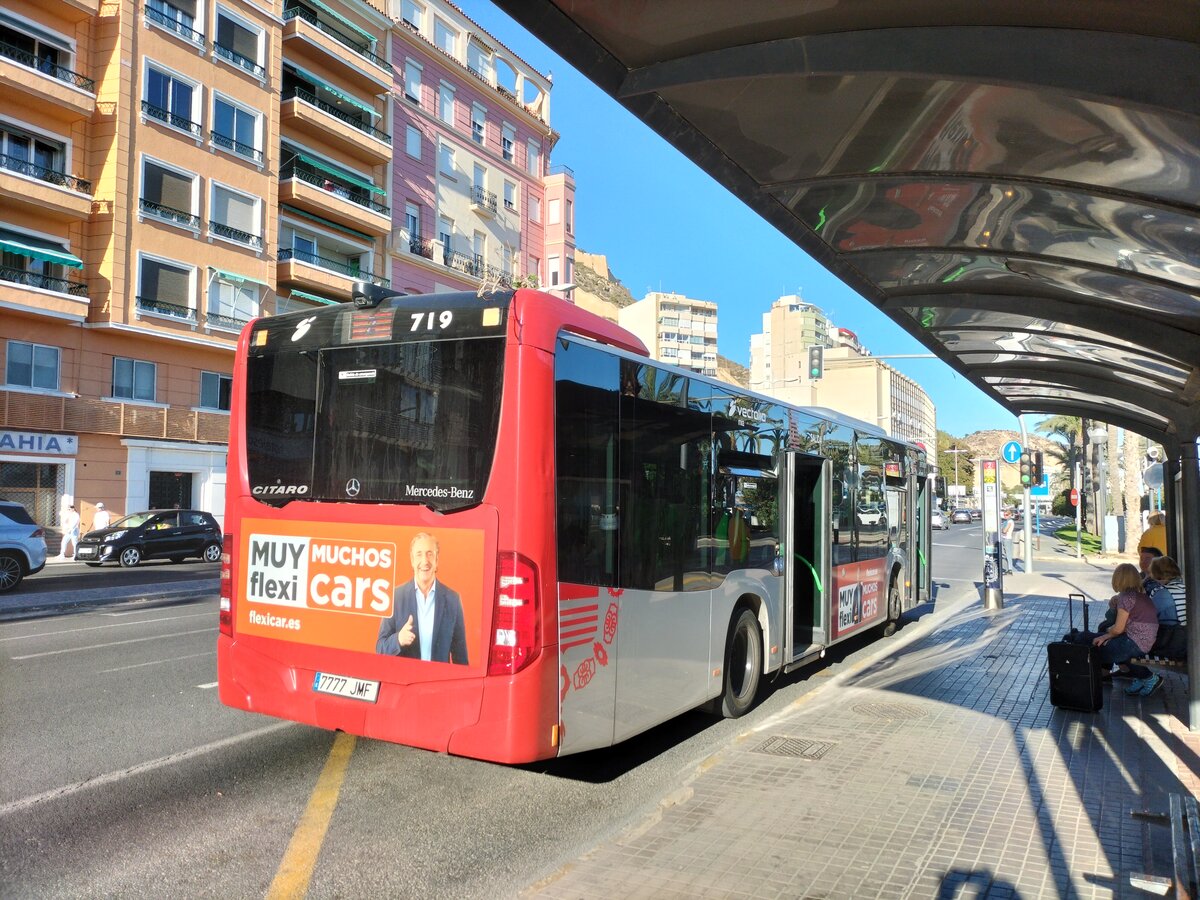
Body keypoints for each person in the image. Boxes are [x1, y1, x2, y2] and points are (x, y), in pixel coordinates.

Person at [376, 532, 468, 665]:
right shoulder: (396, 597)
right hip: (405, 681)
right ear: (412, 561)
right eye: (419, 554)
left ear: (436, 561)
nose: (425, 561)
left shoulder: (453, 600)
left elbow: (461, 659)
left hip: (438, 683)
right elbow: (380, 648)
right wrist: (398, 639)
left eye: (430, 554)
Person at [1092, 563, 1162, 696]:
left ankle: (1149, 677)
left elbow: (1118, 629)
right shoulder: (1139, 595)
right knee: (1117, 648)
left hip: (1137, 641)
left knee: (1104, 651)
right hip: (1145, 639)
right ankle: (1142, 678)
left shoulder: (1126, 597)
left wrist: (1104, 637)